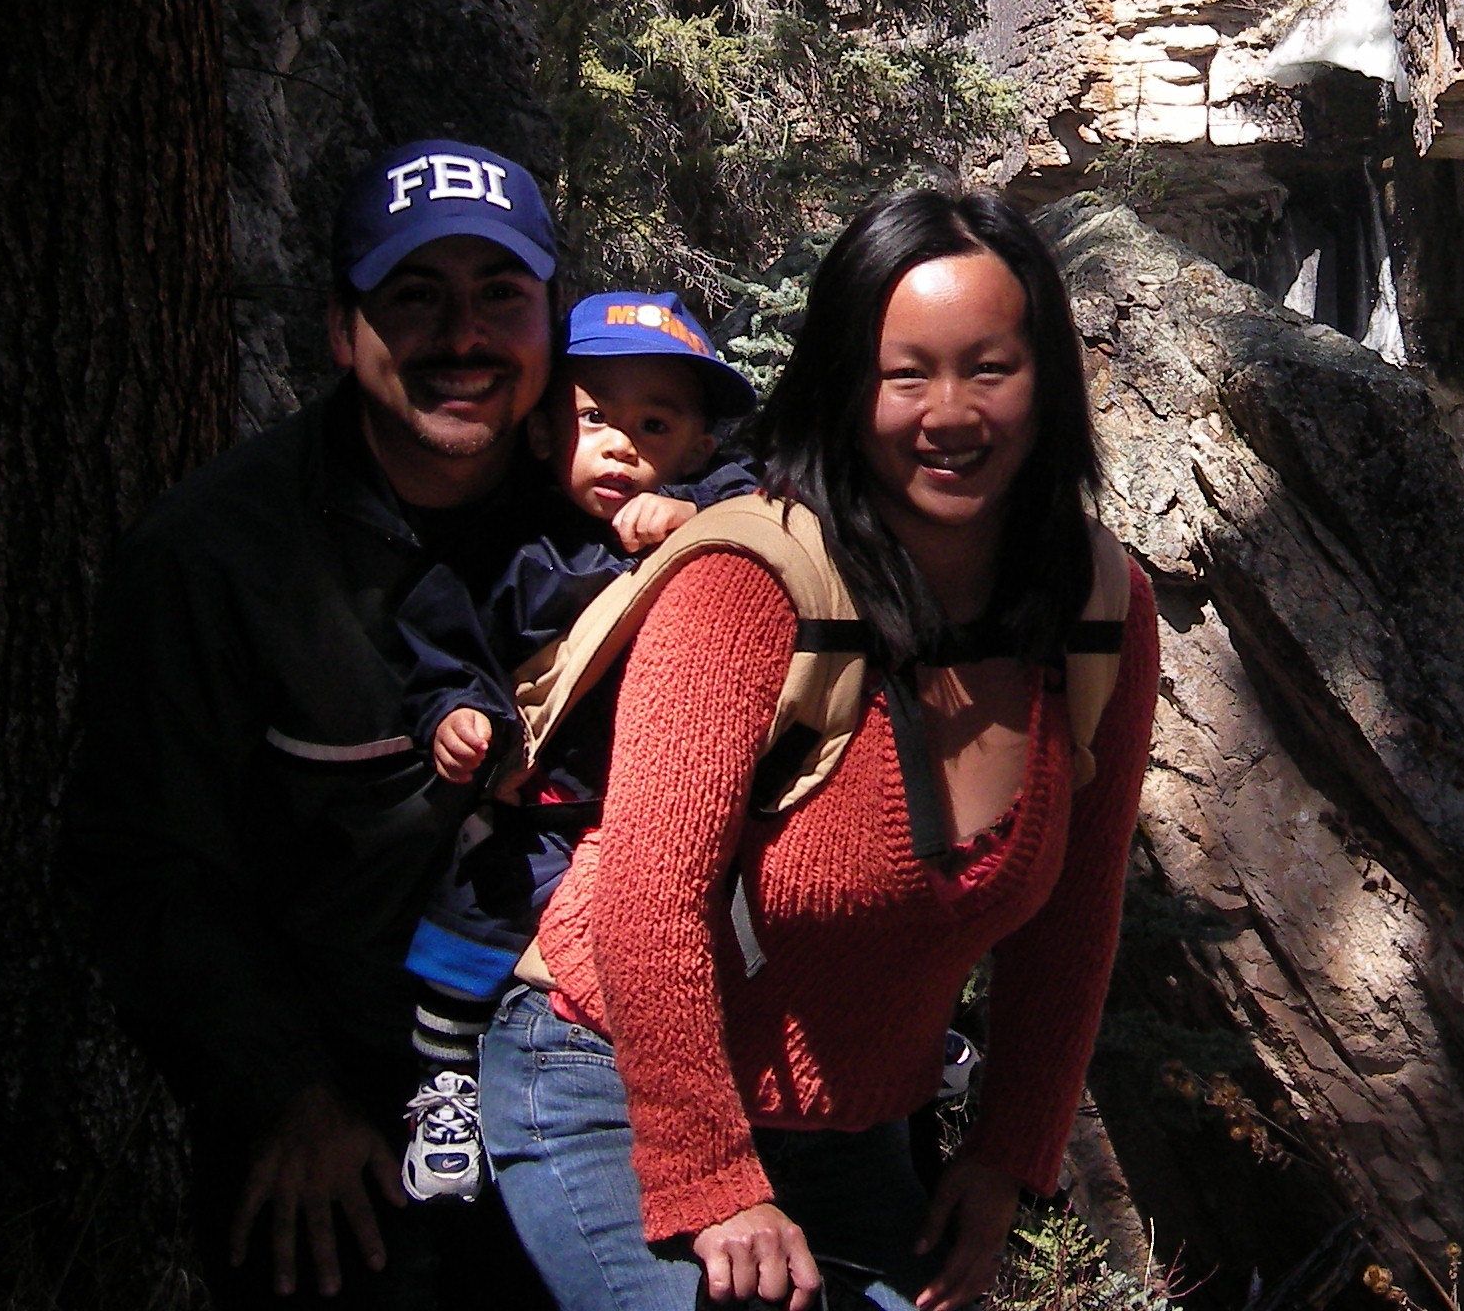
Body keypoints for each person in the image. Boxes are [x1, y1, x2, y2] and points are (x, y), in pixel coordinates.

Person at [481, 189, 1159, 1311]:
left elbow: (1076, 914)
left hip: (848, 1127)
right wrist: (710, 1177)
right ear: (844, 388)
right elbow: (647, 902)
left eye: (990, 368)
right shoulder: (746, 583)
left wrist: (1008, 1151)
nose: (950, 414)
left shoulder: (1096, 610)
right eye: (905, 375)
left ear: (1048, 384)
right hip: (611, 1079)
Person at [68, 139, 590, 1307]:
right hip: (341, 1125)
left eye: (499, 295)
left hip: (586, 1095)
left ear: (550, 321)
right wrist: (283, 1095)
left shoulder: (612, 516)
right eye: (415, 296)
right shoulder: (215, 559)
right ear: (340, 332)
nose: (462, 336)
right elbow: (146, 859)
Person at [393, 292, 761, 1204]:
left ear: (697, 447)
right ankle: (443, 1082)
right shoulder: (512, 546)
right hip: (543, 805)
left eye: (654, 425)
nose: (622, 446)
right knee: (474, 915)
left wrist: (690, 514)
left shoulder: (716, 513)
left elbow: (770, 504)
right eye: (595, 419)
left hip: (669, 810)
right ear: (542, 430)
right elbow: (444, 642)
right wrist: (454, 714)